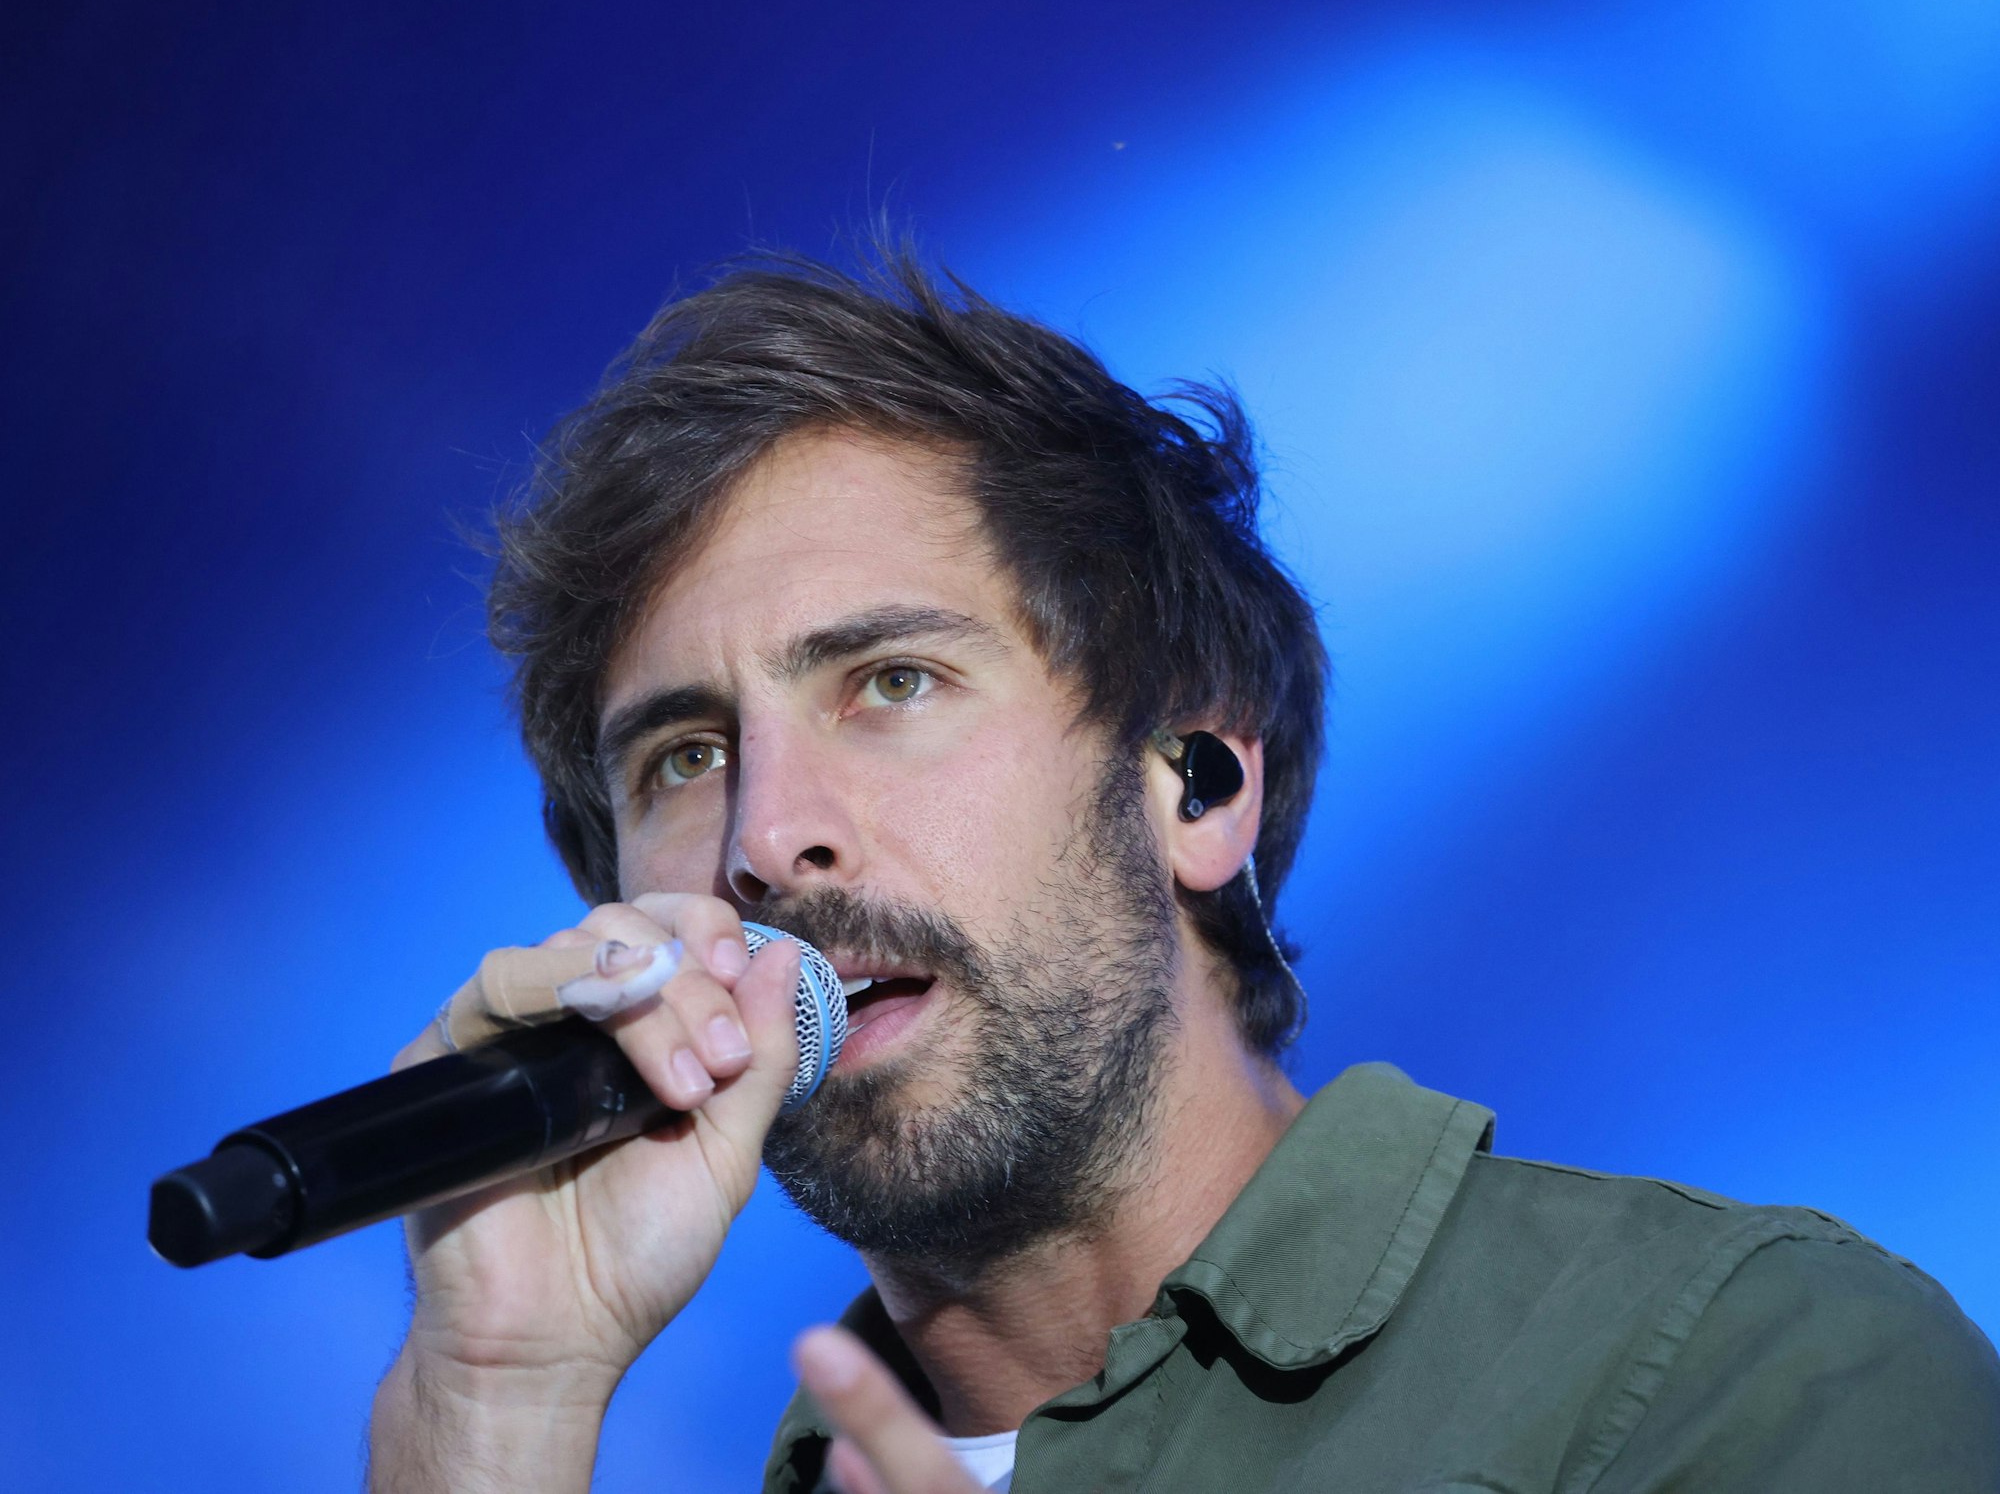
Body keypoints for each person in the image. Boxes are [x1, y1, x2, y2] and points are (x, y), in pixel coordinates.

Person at [366, 248, 2000, 1494]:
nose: (764, 838)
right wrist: (496, 1407)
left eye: (892, 683)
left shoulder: (1740, 1366)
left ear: (1197, 784)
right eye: (684, 756)